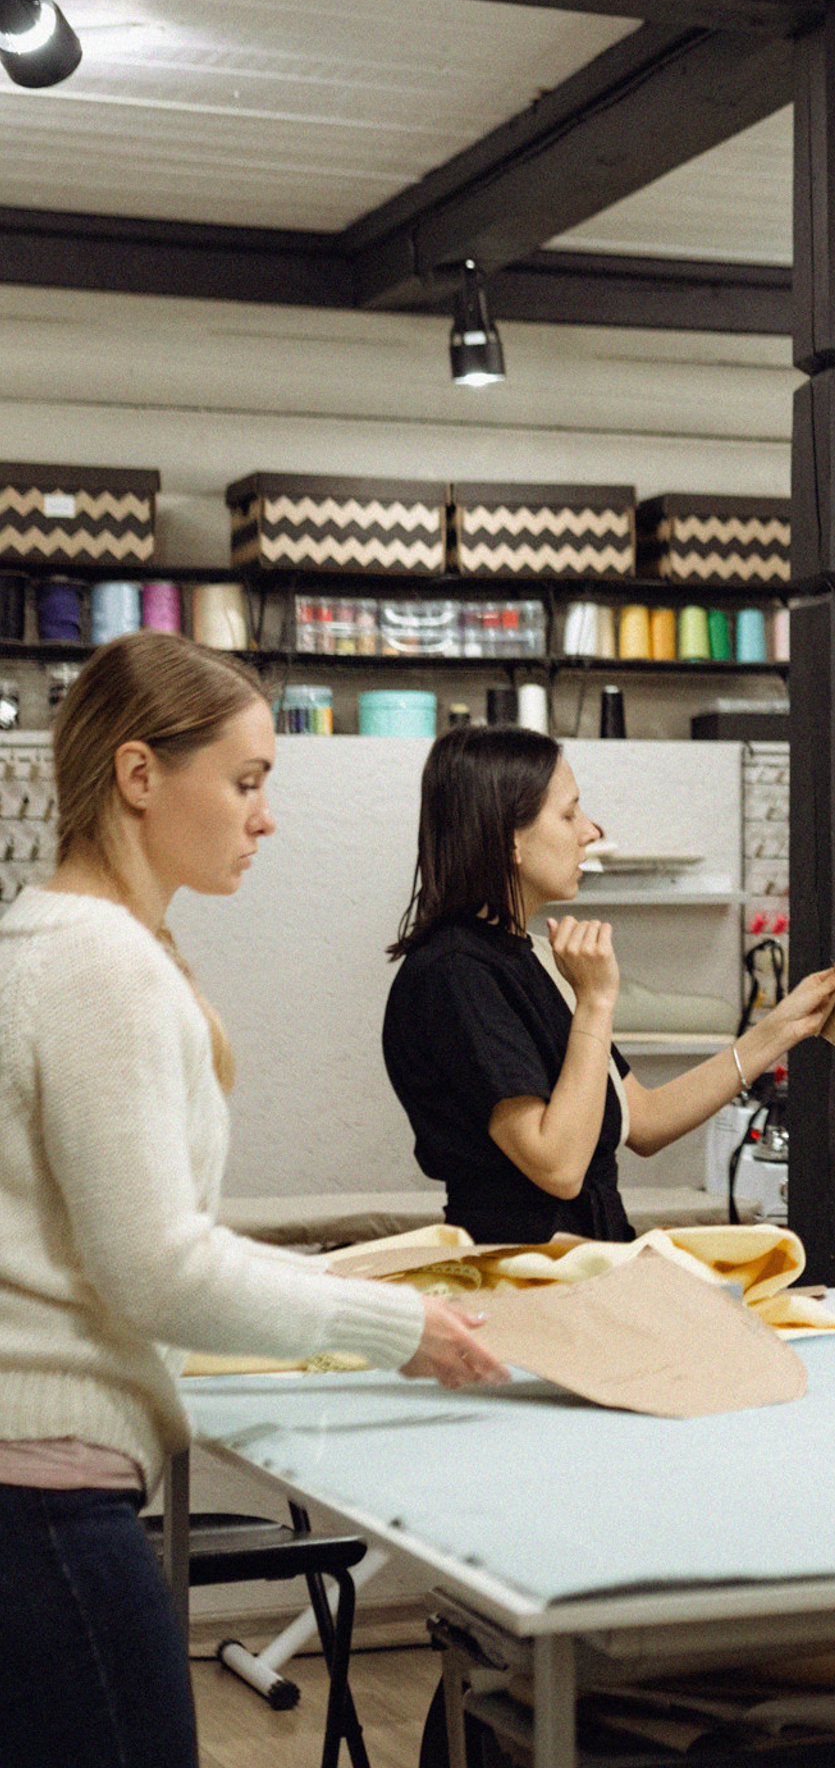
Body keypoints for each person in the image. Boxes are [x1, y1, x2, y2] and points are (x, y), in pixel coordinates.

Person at [0, 633, 504, 1768]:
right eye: (246, 781)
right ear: (139, 775)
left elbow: (140, 1242)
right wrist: (393, 1326)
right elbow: (156, 1268)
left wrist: (360, 1282)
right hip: (45, 1504)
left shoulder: (49, 941)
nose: (264, 816)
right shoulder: (98, 964)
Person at [382, 725, 835, 1245]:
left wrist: (778, 1031)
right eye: (569, 813)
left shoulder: (524, 955)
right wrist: (596, 1002)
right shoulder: (455, 974)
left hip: (590, 1262)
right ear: (509, 837)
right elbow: (557, 1166)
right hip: (526, 1282)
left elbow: (641, 1120)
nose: (591, 830)